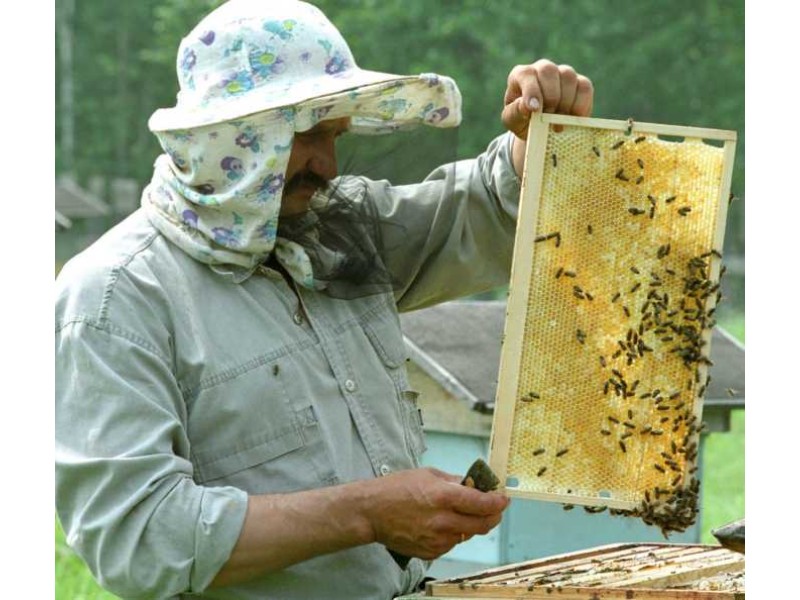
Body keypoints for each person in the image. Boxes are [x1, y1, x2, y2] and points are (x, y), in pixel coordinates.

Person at [55, 1, 594, 598]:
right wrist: (367, 512)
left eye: (335, 136)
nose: (328, 166)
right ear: (234, 134)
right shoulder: (114, 298)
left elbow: (478, 216)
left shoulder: (333, 224)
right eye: (308, 135)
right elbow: (140, 540)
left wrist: (538, 138)